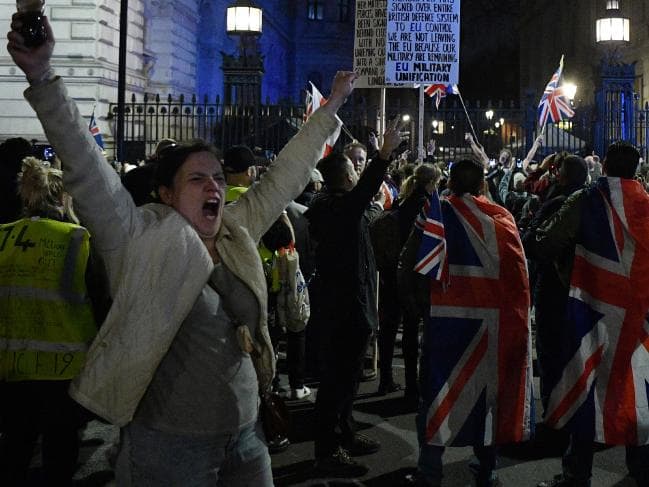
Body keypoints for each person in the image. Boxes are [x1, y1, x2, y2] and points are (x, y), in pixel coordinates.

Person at [7, 15, 356, 485]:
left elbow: (286, 175)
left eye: (216, 176)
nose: (213, 185)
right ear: (166, 194)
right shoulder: (136, 237)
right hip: (168, 445)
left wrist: (333, 104)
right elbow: (85, 166)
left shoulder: (235, 229)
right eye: (197, 178)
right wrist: (43, 75)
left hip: (246, 437)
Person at [531, 142, 649, 487]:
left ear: (606, 167)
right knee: (636, 388)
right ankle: (641, 469)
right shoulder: (646, 203)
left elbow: (545, 243)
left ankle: (576, 474)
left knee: (585, 387)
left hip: (593, 309)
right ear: (637, 168)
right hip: (639, 315)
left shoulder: (586, 200)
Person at [411, 159, 533, 487]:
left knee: (435, 393)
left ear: (449, 182)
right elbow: (518, 278)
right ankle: (486, 471)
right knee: (486, 397)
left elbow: (415, 264)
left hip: (445, 322)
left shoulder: (436, 213)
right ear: (482, 185)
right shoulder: (502, 218)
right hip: (490, 324)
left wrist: (424, 309)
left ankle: (429, 471)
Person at [306, 119, 402, 476]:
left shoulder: (341, 205)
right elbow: (366, 193)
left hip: (354, 305)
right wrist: (384, 155)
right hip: (342, 309)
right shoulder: (335, 208)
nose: (356, 175)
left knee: (348, 381)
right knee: (336, 382)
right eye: (352, 169)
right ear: (343, 177)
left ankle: (345, 434)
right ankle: (326, 452)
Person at [0, 157, 99, 486]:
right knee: (59, 456)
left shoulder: (3, 235)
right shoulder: (77, 239)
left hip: (9, 365)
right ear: (62, 198)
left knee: (15, 448)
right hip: (63, 368)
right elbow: (100, 300)